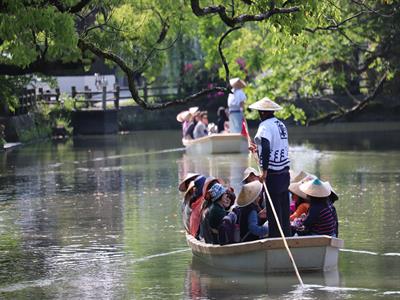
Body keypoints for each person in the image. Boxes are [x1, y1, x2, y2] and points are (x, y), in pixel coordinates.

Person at [249, 97, 291, 237]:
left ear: (262, 113)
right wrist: (257, 149)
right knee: (284, 209)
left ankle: (276, 239)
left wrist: (264, 171)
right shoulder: (281, 124)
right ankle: (287, 236)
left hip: (273, 173)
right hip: (285, 172)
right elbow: (270, 145)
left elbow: (266, 147)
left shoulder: (265, 125)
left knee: (273, 212)